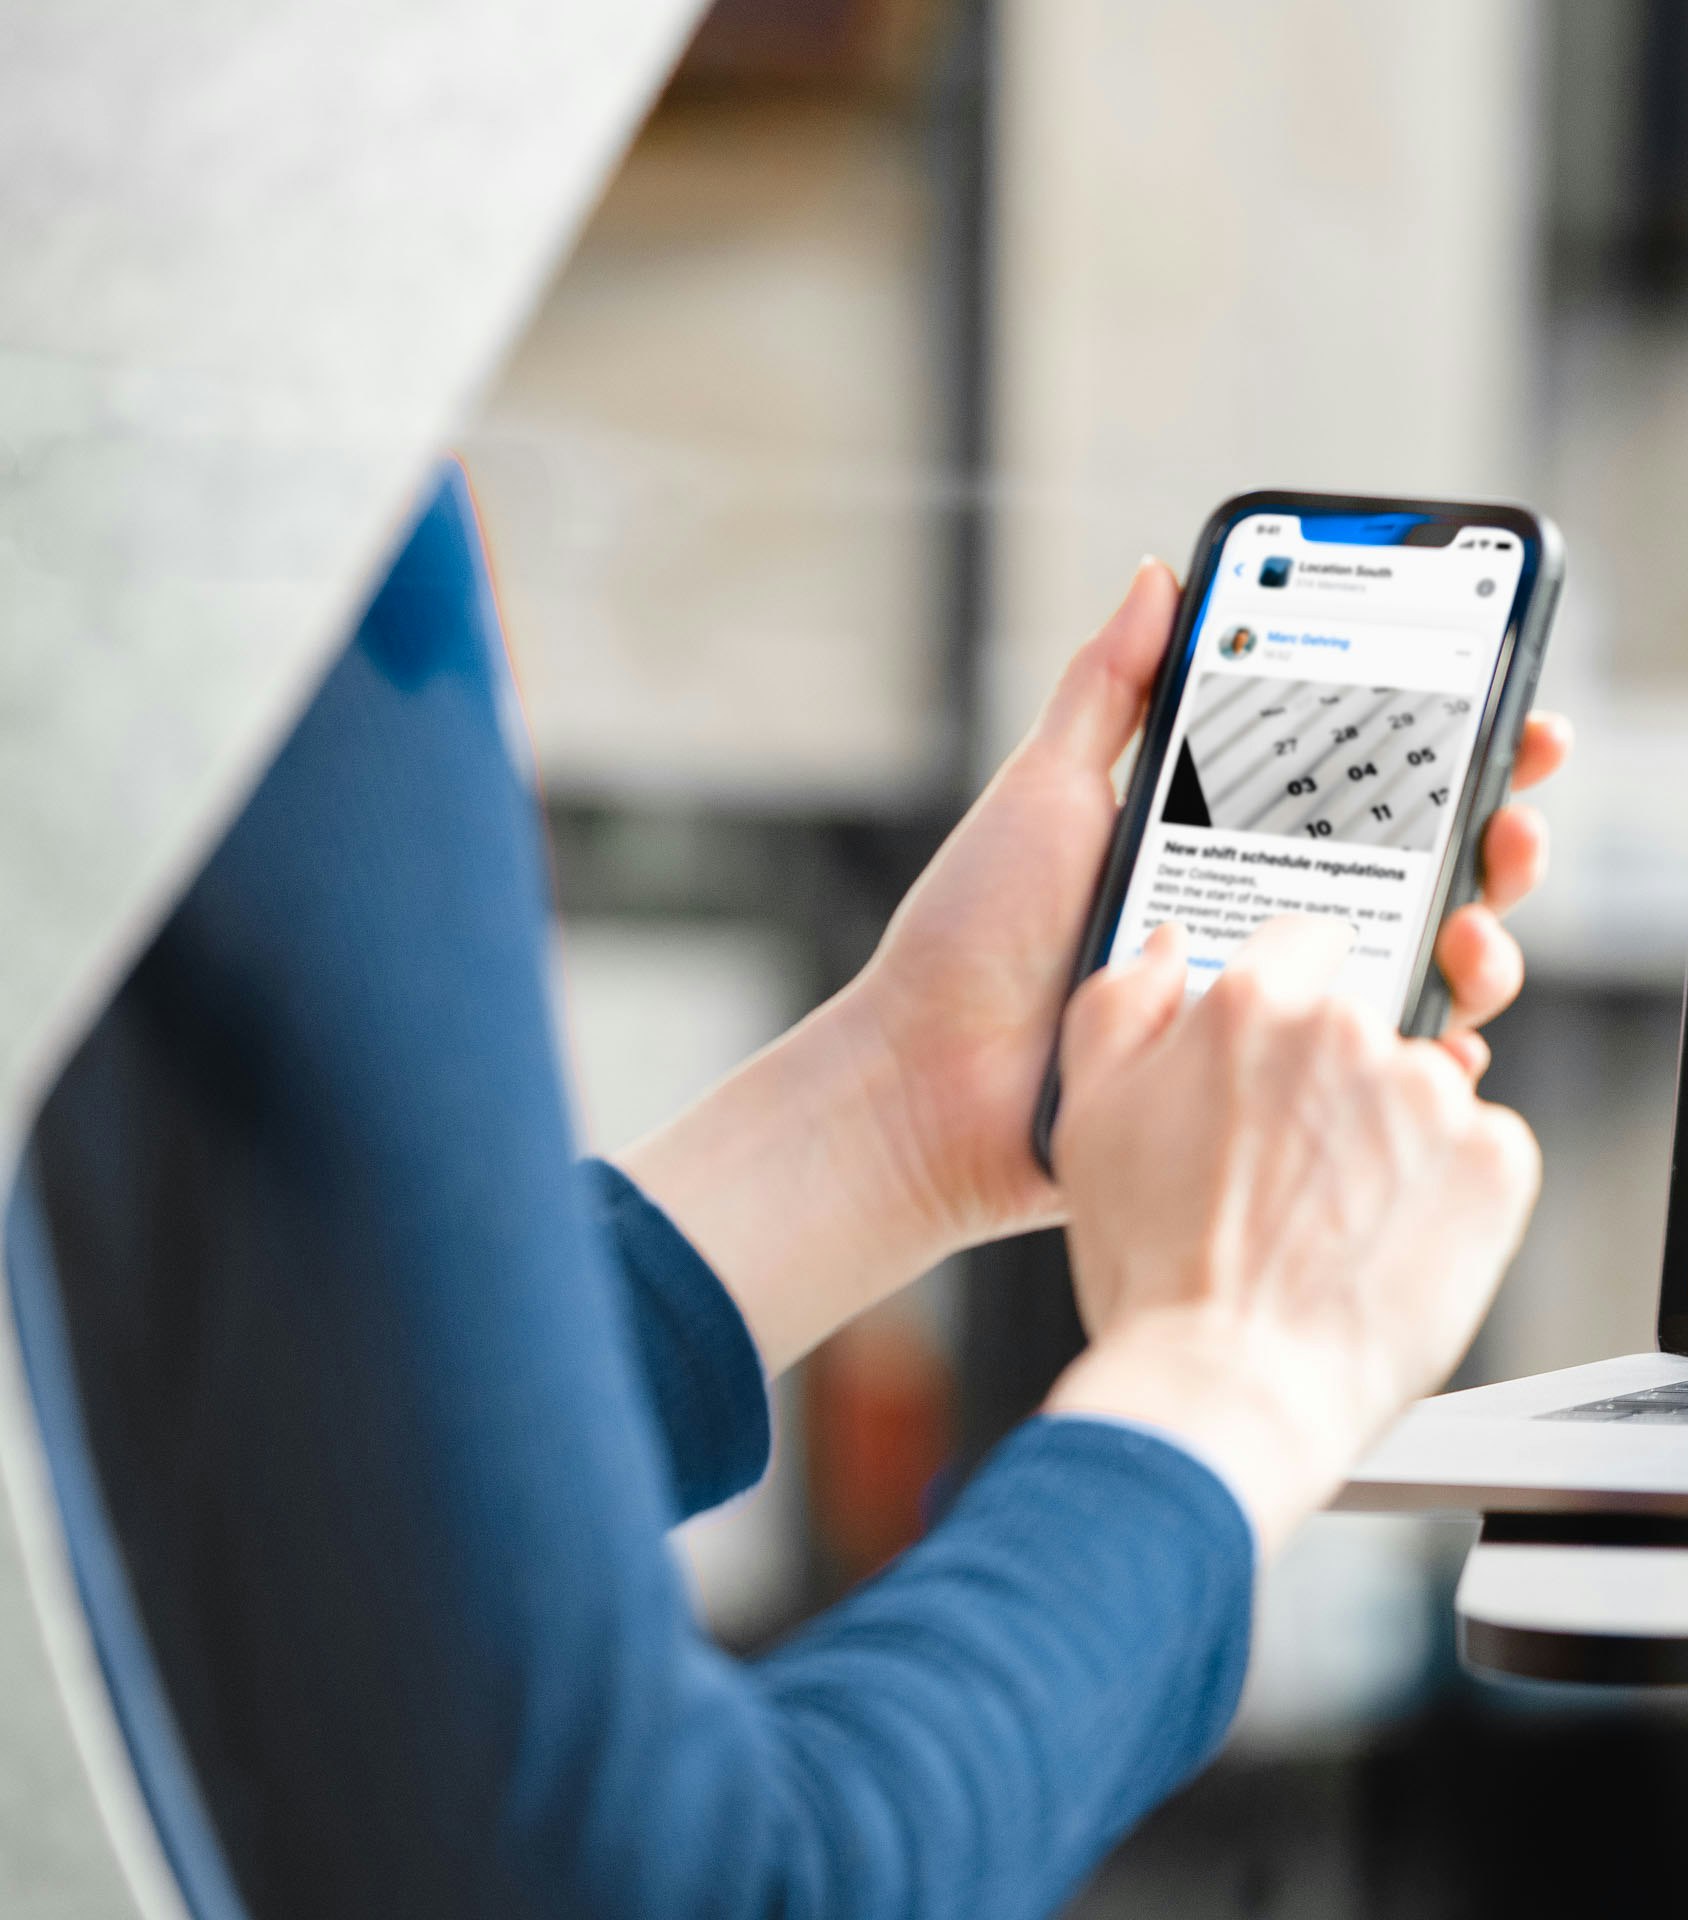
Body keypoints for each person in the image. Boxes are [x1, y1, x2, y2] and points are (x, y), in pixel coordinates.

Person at [10, 468, 1561, 1918]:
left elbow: (245, 1485)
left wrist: (897, 1108)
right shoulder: (234, 474)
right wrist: (1243, 1375)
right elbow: (646, 1889)